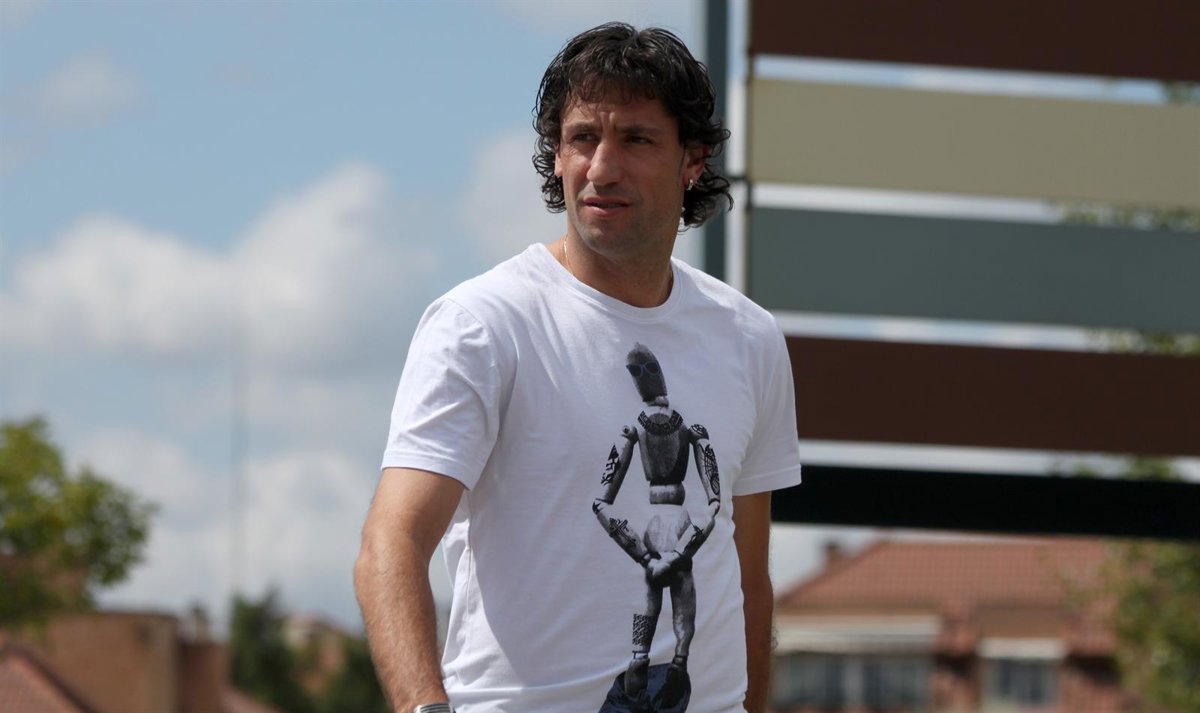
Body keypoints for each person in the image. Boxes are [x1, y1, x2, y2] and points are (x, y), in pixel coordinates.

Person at [355, 22, 802, 713]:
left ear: (693, 160)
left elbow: (748, 579)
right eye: (583, 137)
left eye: (636, 139)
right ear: (556, 156)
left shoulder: (749, 338)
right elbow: (392, 541)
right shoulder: (483, 324)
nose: (601, 168)